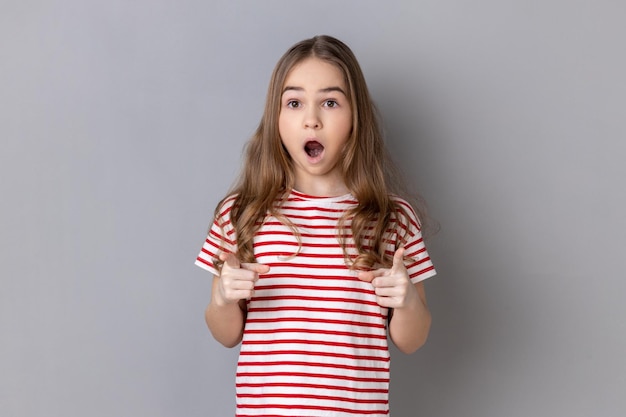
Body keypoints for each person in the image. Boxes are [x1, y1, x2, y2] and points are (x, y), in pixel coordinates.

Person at [195, 35, 436, 417]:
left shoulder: (393, 218)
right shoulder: (241, 213)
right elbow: (226, 334)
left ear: (355, 115)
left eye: (330, 102)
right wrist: (222, 299)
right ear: (276, 118)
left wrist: (405, 302)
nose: (312, 118)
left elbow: (413, 339)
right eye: (294, 103)